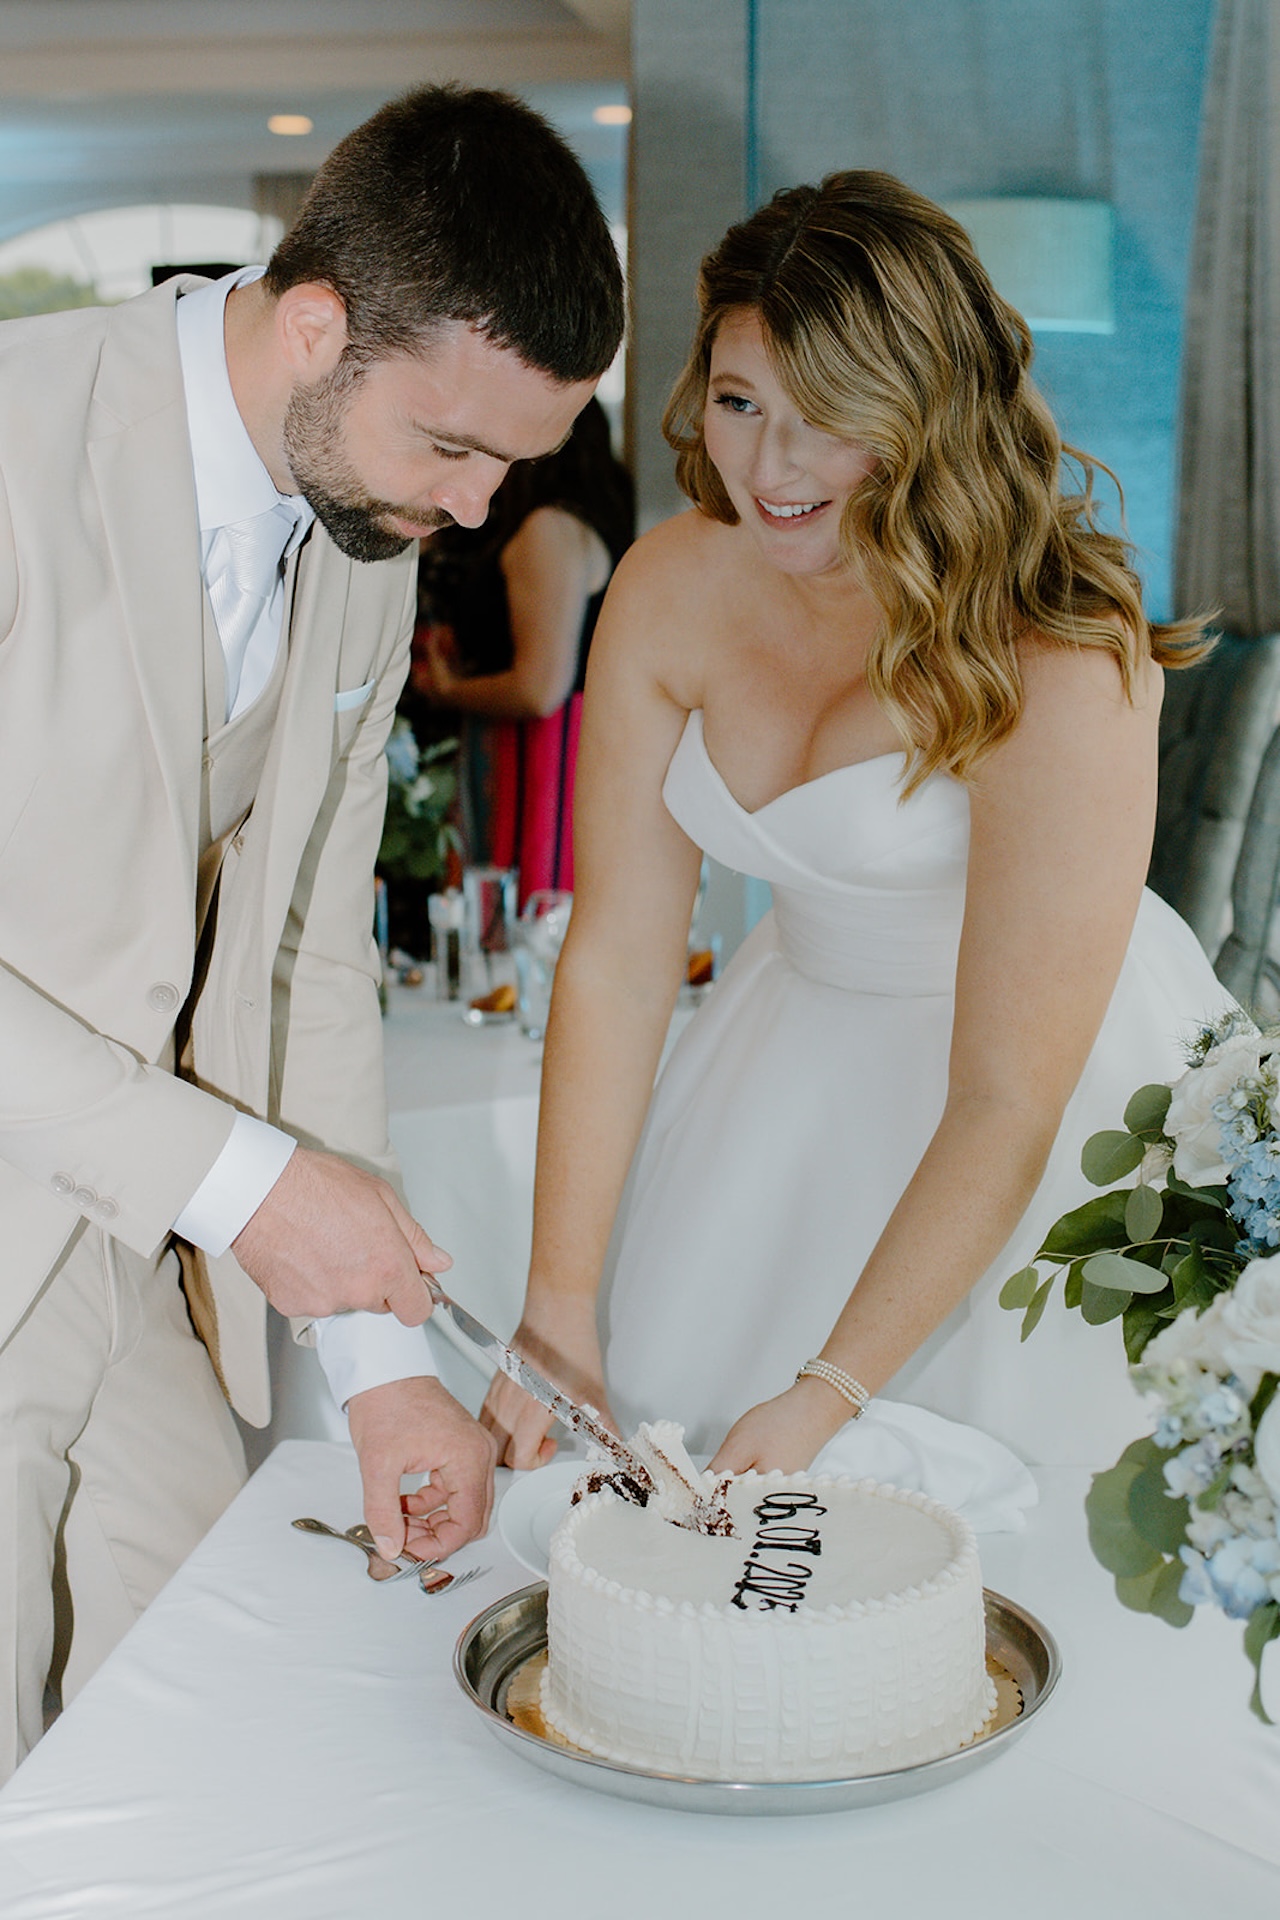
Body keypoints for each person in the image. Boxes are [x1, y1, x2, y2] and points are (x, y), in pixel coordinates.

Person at [0, 82, 623, 1777]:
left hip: (127, 1249)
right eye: (458, 447)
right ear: (316, 326)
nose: (485, 512)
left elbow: (308, 959)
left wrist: (375, 1364)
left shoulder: (365, 534)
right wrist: (248, 1190)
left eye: (517, 460)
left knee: (221, 1727)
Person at [479, 170, 1233, 1484]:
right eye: (737, 402)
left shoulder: (1061, 650)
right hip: (789, 1062)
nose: (770, 467)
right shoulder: (669, 587)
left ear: (923, 410)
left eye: (827, 417)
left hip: (1043, 1097)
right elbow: (618, 957)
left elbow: (1007, 1094)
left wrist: (833, 1386)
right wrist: (557, 1303)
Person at [410, 396, 634, 901]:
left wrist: (448, 690)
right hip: (562, 754)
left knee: (520, 918)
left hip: (536, 765)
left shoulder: (547, 531)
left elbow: (540, 688)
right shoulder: (580, 526)